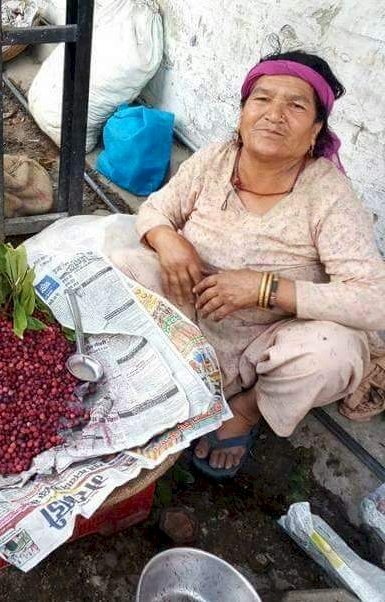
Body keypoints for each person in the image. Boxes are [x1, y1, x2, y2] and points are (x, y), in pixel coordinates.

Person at [109, 50, 385, 478]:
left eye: (295, 106)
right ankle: (173, 380)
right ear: (241, 114)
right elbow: (155, 210)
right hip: (192, 316)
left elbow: (374, 299)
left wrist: (264, 289)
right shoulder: (215, 161)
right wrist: (168, 241)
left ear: (315, 131)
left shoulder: (328, 194)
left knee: (335, 352)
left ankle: (246, 410)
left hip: (269, 343)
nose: (275, 115)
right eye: (262, 99)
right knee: (122, 266)